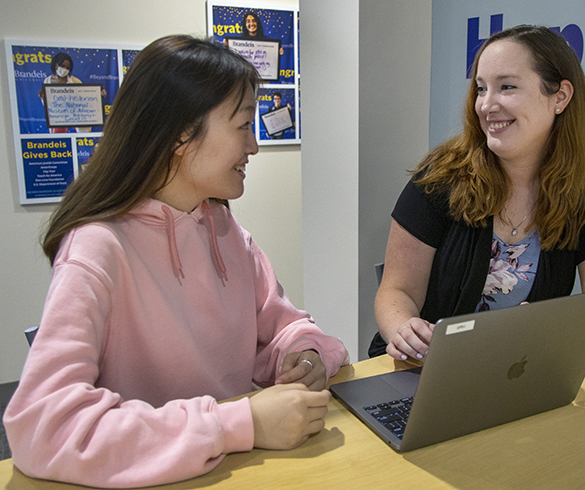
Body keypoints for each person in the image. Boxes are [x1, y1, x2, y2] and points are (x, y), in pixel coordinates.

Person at [4, 35, 348, 488]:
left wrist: (303, 354)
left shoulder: (225, 230)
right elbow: (42, 428)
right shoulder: (96, 249)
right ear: (182, 134)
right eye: (243, 125)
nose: (254, 147)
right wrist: (236, 424)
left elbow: (283, 326)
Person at [371, 25, 585, 361]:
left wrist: (547, 333)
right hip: (421, 370)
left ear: (560, 97)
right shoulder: (438, 180)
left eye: (507, 87)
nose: (486, 105)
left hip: (517, 373)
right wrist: (404, 328)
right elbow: (396, 291)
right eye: (481, 89)